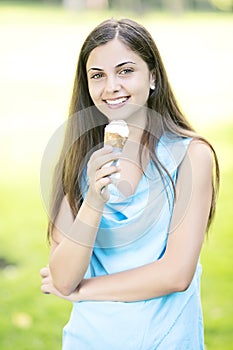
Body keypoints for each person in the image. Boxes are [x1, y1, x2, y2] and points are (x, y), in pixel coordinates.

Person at [40, 18, 219, 349]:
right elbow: (63, 275)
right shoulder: (79, 160)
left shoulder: (191, 156)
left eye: (125, 71)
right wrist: (94, 199)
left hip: (165, 340)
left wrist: (83, 290)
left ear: (152, 76)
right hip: (89, 340)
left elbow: (176, 275)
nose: (111, 87)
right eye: (98, 75)